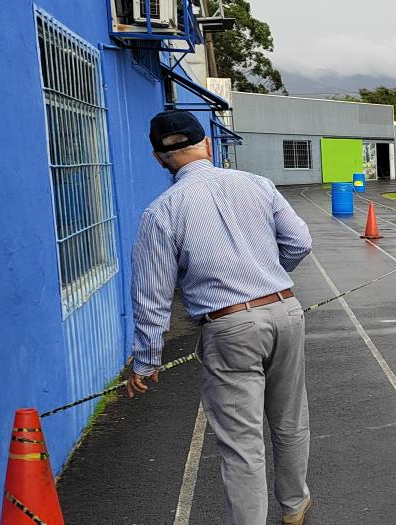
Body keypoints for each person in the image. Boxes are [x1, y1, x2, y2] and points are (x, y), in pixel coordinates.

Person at [124, 110, 315, 525]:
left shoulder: (161, 212)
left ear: (158, 158)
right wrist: (267, 278)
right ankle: (294, 505)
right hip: (285, 310)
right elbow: (299, 242)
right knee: (289, 419)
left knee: (242, 443)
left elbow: (152, 295)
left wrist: (146, 360)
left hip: (229, 326)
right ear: (207, 145)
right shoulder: (258, 184)